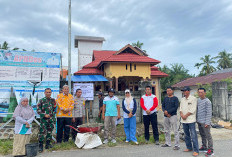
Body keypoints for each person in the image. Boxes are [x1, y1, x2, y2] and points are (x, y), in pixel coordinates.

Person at [180, 86, 199, 156]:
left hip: (191, 120)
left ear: (189, 91)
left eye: (185, 91)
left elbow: (193, 109)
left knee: (193, 135)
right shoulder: (182, 99)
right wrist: (182, 114)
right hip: (184, 120)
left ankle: (196, 150)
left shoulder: (193, 99)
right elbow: (180, 108)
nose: (184, 92)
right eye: (183, 91)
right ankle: (189, 147)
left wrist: (186, 115)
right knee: (186, 135)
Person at [37, 88, 57, 152]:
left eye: (49, 92)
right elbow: (38, 110)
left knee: (49, 132)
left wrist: (52, 116)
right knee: (42, 133)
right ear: (44, 93)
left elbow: (54, 109)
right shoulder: (41, 100)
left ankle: (47, 144)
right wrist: (44, 115)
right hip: (44, 120)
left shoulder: (53, 100)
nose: (48, 93)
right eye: (47, 92)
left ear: (51, 93)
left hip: (51, 119)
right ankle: (40, 146)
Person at [197, 88, 214, 156]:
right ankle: (204, 146)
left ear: (205, 93)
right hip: (199, 121)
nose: (200, 94)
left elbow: (209, 113)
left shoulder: (207, 101)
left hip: (205, 122)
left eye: (202, 92)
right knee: (202, 135)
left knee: (208, 136)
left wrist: (207, 122)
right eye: (199, 92)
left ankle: (210, 150)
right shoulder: (198, 100)